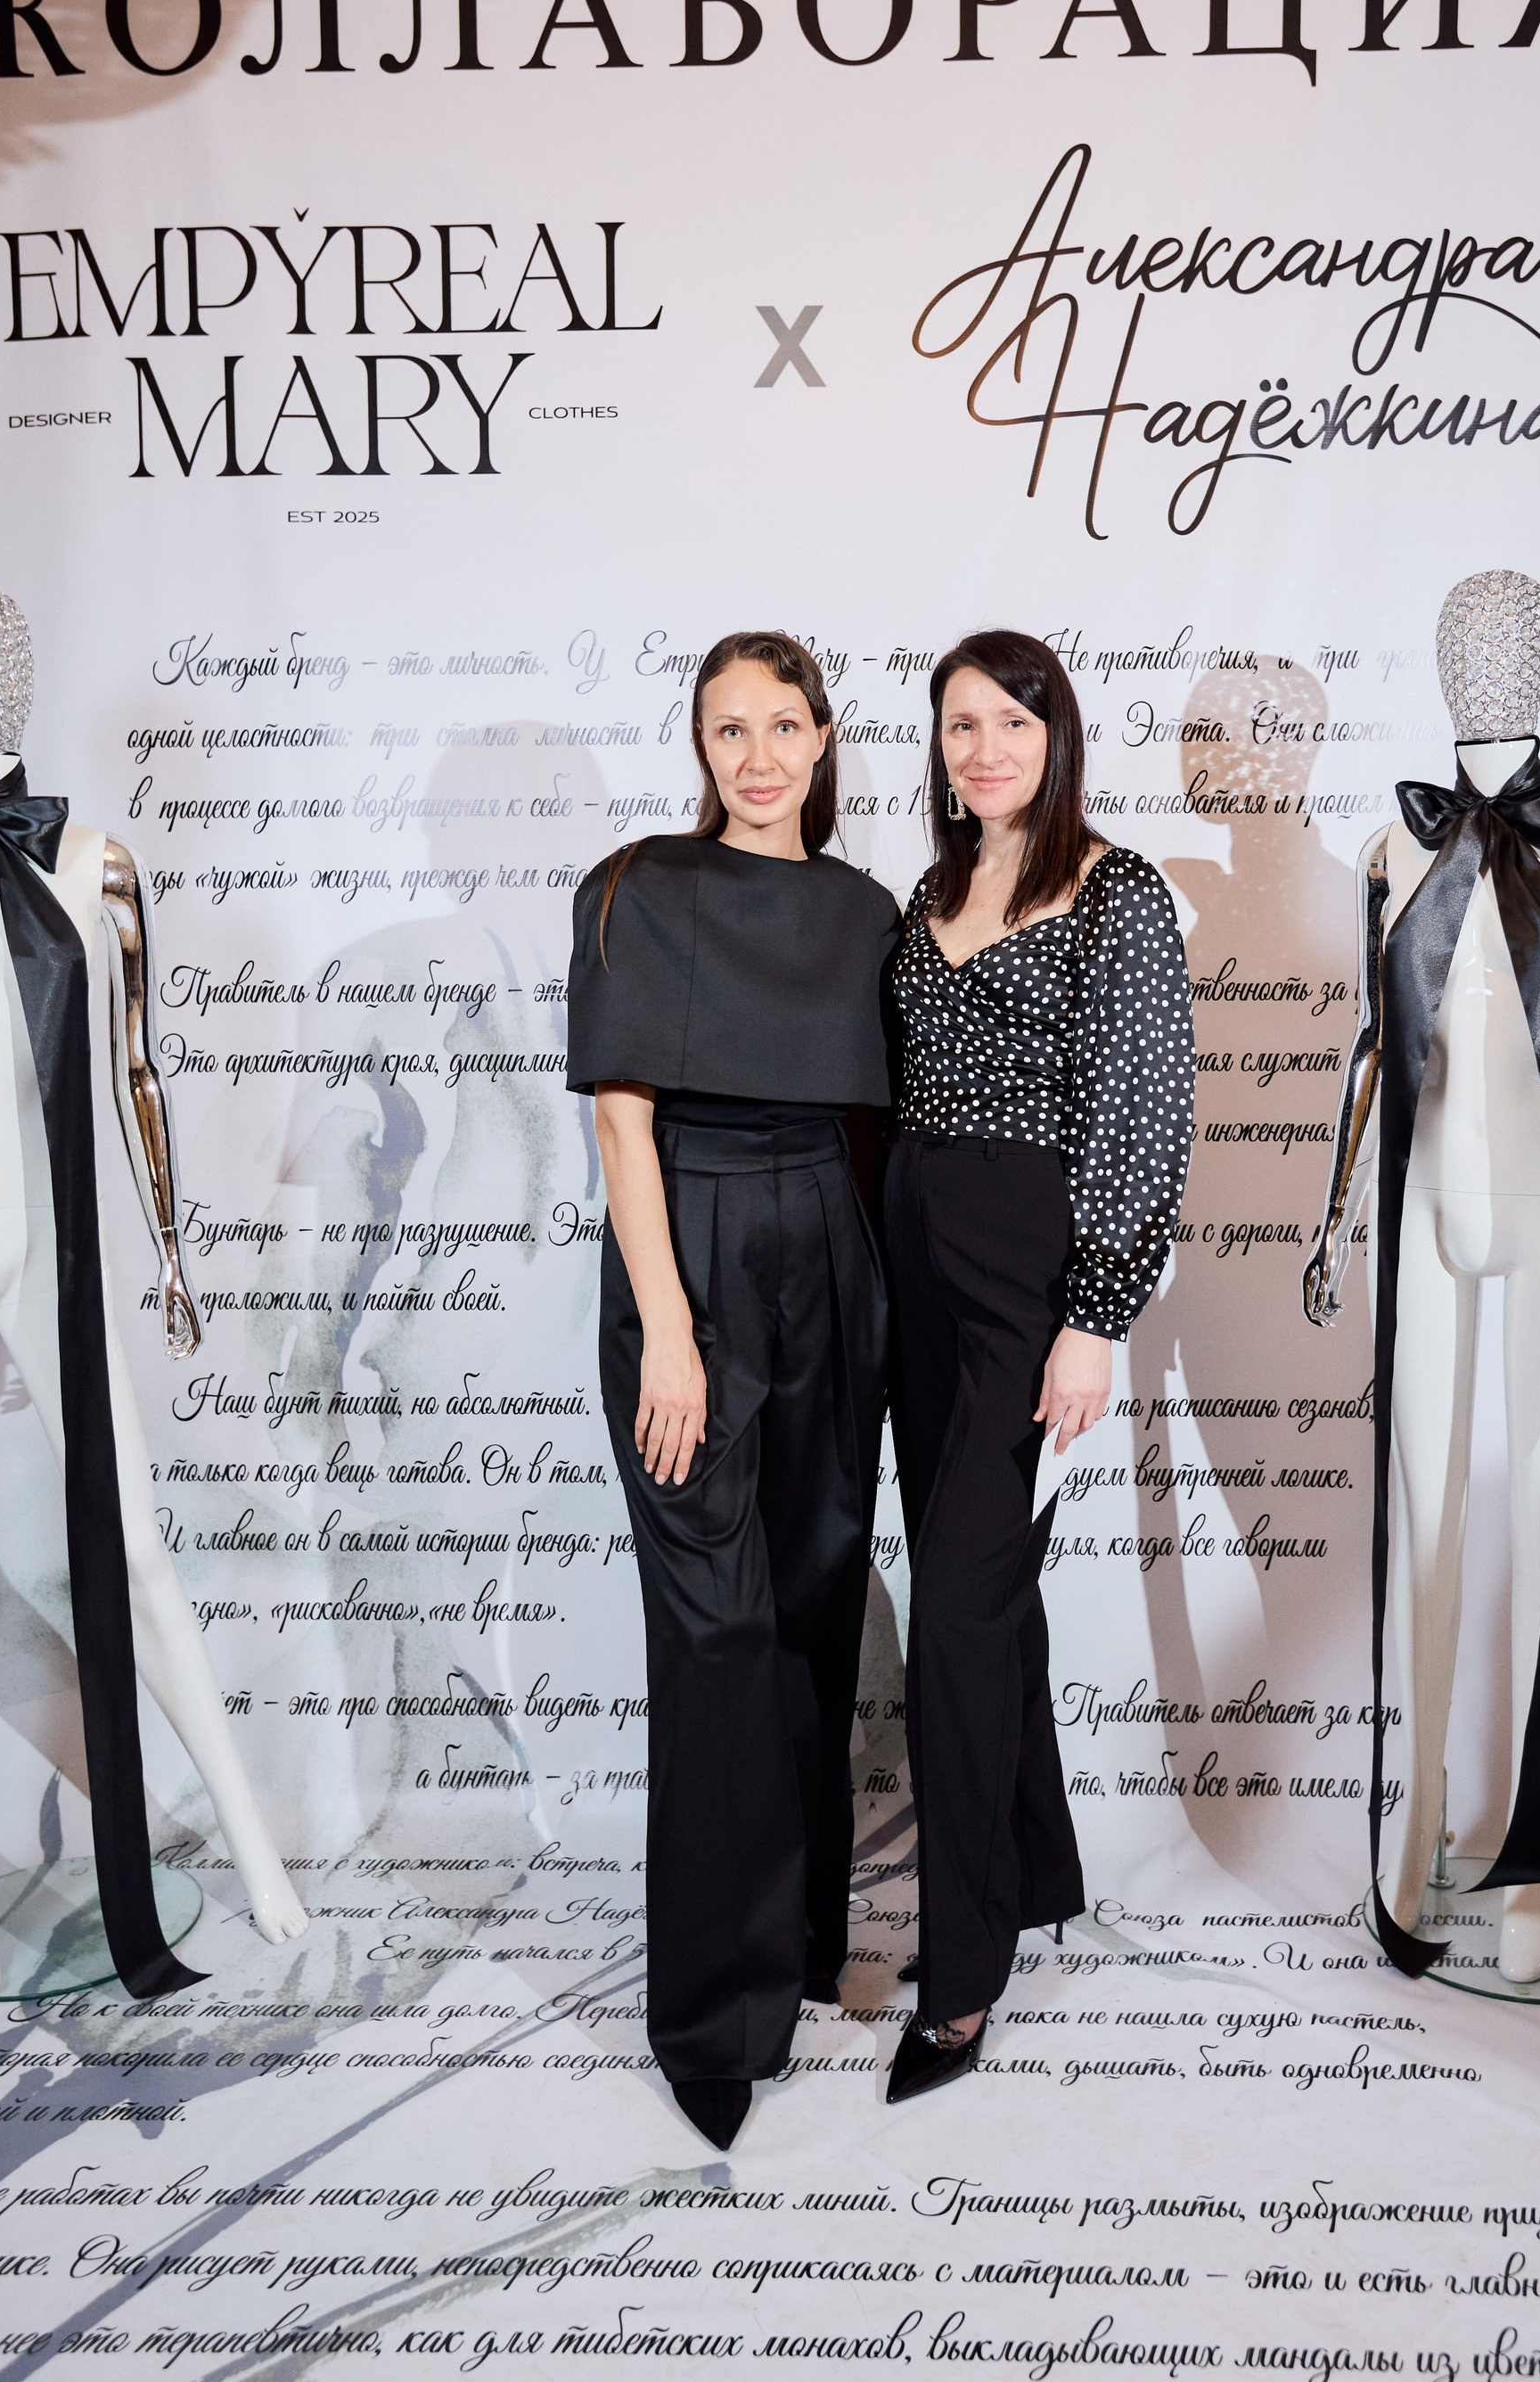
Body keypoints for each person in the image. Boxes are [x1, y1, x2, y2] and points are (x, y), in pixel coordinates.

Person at [566, 631, 898, 2152]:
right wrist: (672, 1334)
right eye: (726, 729)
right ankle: (712, 2016)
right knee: (715, 1639)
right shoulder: (635, 890)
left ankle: (807, 1942)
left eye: (781, 725)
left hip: (830, 1252)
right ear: (698, 748)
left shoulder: (870, 915)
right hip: (685, 1260)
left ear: (823, 740)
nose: (757, 756)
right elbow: (622, 1129)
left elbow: (885, 1133)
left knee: (818, 1613)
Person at [884, 628, 1194, 2104]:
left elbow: (1144, 1113)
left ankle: (959, 1980)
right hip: (909, 1262)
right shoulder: (928, 891)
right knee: (985, 1605)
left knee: (954, 1610)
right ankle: (1034, 1873)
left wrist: (1095, 1317)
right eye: (963, 725)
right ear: (940, 750)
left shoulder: (1118, 892)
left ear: (1058, 736)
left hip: (1030, 1279)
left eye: (1014, 721)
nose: (987, 748)